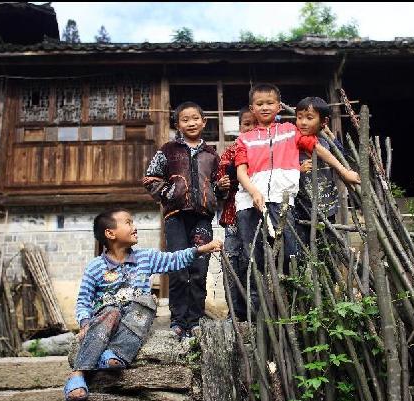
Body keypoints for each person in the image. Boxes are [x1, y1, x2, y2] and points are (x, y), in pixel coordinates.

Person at [64, 208, 222, 401]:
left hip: (134, 322)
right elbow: (83, 301)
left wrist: (200, 250)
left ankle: (114, 353)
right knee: (111, 311)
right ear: (110, 233)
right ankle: (78, 373)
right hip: (106, 321)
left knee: (147, 303)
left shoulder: (145, 258)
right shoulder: (95, 267)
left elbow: (174, 259)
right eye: (128, 223)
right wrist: (85, 322)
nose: (135, 226)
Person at [235, 83, 360, 312]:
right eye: (259, 104)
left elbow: (317, 149)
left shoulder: (289, 131)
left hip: (282, 202)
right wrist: (253, 191)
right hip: (249, 203)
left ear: (279, 106)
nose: (265, 107)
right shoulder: (244, 139)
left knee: (291, 255)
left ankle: (293, 308)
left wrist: (343, 171)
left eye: (270, 103)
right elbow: (241, 171)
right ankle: (260, 312)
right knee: (254, 257)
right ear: (252, 108)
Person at [142, 101, 230, 339]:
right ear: (177, 124)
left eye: (195, 119)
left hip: (202, 217)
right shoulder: (168, 150)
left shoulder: (212, 154)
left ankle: (196, 320)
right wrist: (170, 193)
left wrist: (220, 188)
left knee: (199, 269)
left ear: (204, 121)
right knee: (178, 268)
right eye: (185, 120)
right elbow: (150, 179)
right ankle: (179, 321)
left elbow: (220, 190)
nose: (191, 123)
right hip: (176, 217)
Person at [217, 107, 256, 321]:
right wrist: (221, 185)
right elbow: (220, 183)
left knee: (254, 262)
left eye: (254, 124)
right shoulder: (231, 152)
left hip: (258, 216)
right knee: (232, 262)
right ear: (240, 127)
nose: (250, 128)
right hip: (233, 215)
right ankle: (235, 312)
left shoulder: (267, 147)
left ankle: (255, 312)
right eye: (246, 124)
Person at [295, 96, 350, 245]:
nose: (303, 122)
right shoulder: (293, 144)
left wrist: (331, 136)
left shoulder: (325, 142)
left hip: (327, 206)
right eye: (299, 117)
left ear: (324, 122)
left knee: (328, 245)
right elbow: (283, 170)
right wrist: (297, 169)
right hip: (302, 207)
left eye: (309, 118)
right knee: (303, 246)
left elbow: (342, 157)